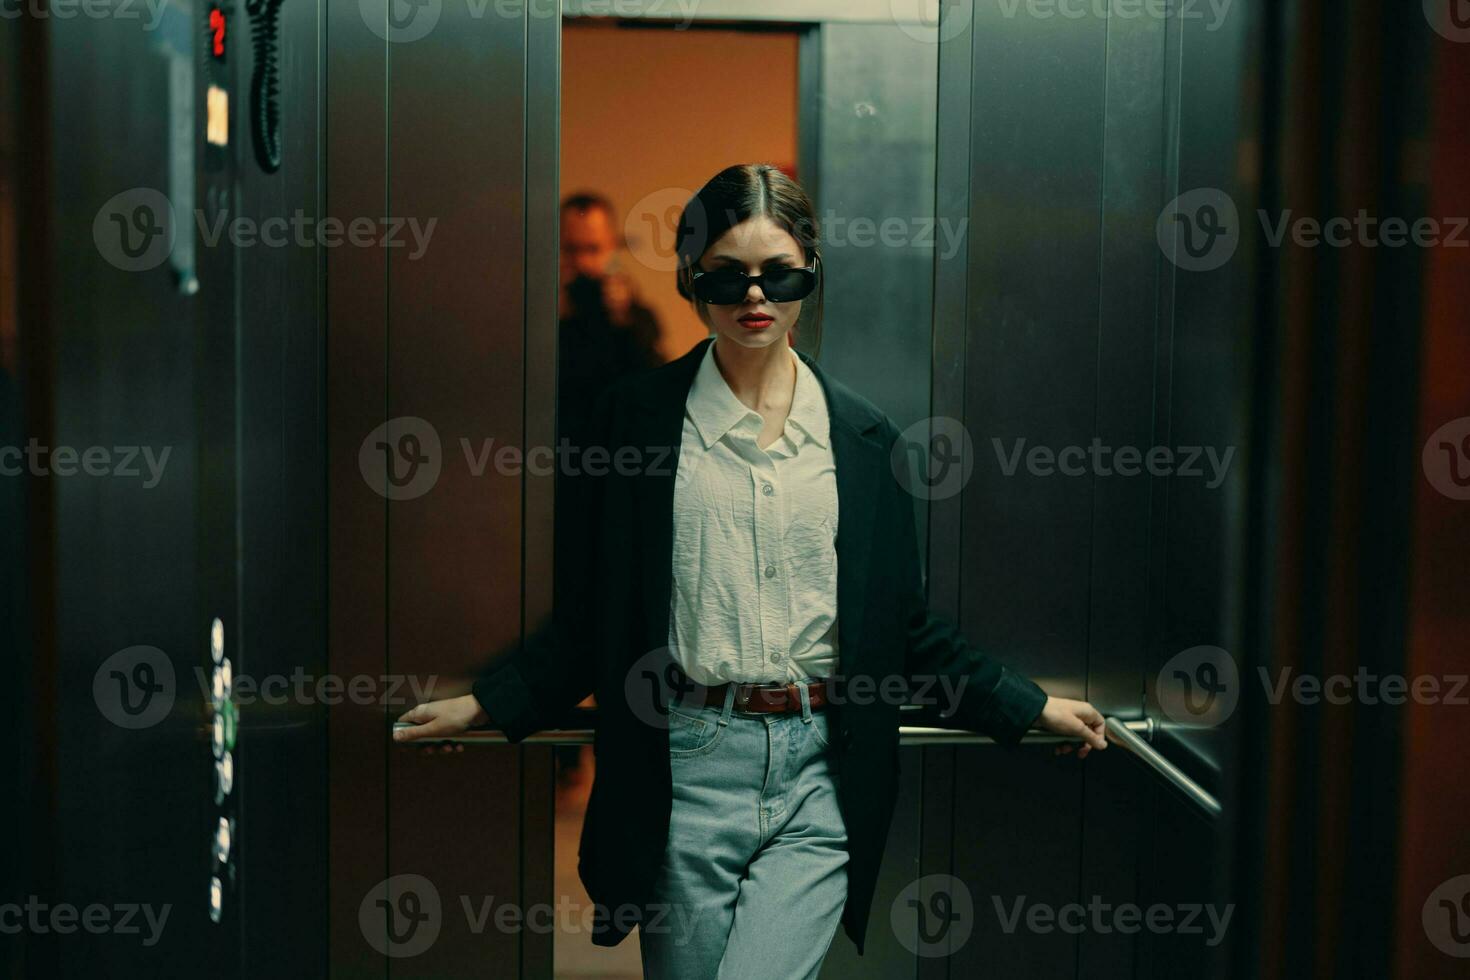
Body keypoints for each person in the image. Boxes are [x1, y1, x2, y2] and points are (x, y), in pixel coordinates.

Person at [396, 163, 1107, 978]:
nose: (755, 296)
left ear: (812, 271)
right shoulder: (633, 424)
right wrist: (486, 705)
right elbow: (596, 617)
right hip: (684, 770)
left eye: (780, 273)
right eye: (728, 275)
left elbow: (903, 630)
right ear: (692, 278)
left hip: (819, 775)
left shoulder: (865, 440)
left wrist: (1027, 706)